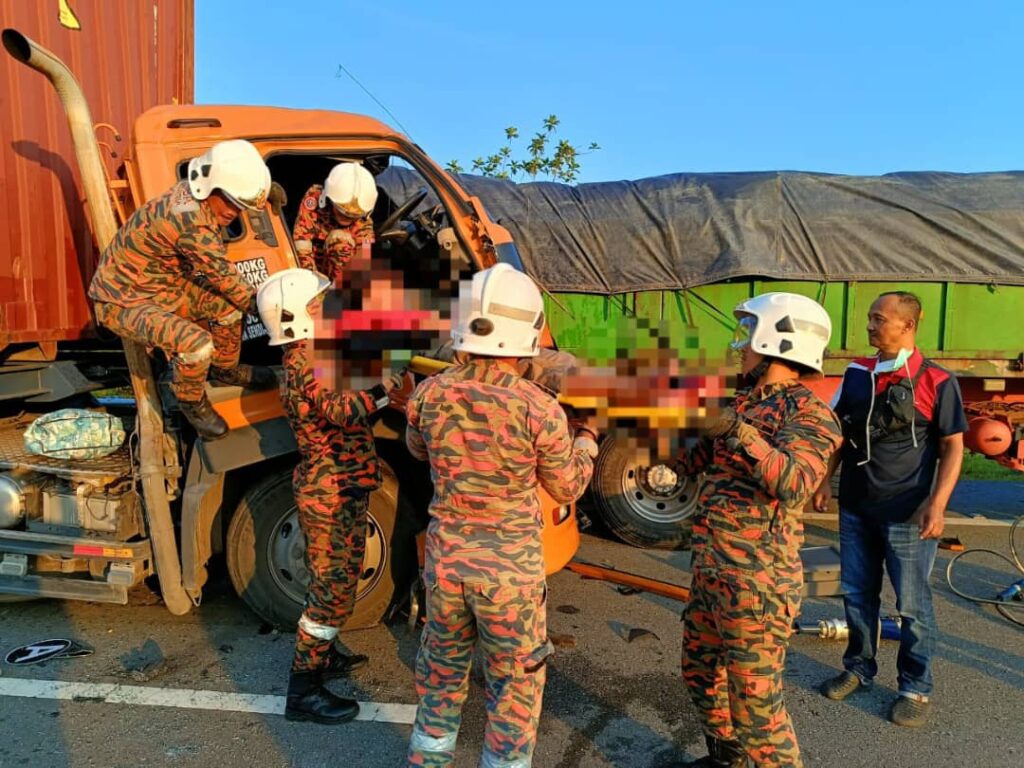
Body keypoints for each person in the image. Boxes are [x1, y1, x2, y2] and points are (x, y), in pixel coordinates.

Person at [405, 263, 598, 768]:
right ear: (529, 332)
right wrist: (587, 440)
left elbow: (417, 450)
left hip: (446, 566)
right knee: (513, 689)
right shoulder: (539, 407)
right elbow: (567, 485)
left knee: (441, 680)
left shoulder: (429, 393)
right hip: (508, 575)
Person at [671, 292, 842, 768]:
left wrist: (737, 432)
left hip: (757, 583)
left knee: (757, 709)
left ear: (777, 341)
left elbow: (794, 482)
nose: (740, 344)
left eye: (749, 334)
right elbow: (688, 464)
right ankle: (728, 759)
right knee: (700, 674)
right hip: (712, 571)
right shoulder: (742, 400)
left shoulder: (808, 414)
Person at [256, 267, 404, 725]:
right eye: (319, 305)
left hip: (343, 482)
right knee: (332, 592)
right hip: (330, 490)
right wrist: (386, 389)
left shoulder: (316, 353)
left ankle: (325, 652)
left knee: (336, 583)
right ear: (298, 316)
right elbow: (342, 410)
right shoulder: (304, 361)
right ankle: (304, 689)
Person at [815, 291, 966, 728]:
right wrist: (826, 477)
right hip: (857, 508)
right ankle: (858, 669)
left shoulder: (937, 381)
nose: (869, 326)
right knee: (858, 596)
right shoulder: (858, 373)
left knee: (913, 606)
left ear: (908, 326)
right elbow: (839, 434)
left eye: (879, 320)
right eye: (870, 318)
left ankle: (915, 688)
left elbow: (953, 447)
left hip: (909, 514)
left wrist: (938, 505)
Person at [89, 139, 277, 440]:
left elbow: (224, 286)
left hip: (160, 284)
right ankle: (190, 400)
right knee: (197, 343)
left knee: (227, 307)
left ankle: (224, 369)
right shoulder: (191, 220)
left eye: (240, 205)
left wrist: (260, 195)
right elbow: (224, 276)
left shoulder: (197, 195)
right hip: (123, 300)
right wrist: (272, 310)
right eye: (231, 201)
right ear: (210, 187)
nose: (234, 212)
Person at [292, 161, 378, 282]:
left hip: (340, 278)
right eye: (341, 210)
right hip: (311, 268)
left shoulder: (364, 220)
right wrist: (311, 277)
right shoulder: (315, 199)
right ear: (328, 198)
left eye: (354, 215)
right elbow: (302, 240)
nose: (346, 217)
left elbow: (362, 260)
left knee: (341, 242)